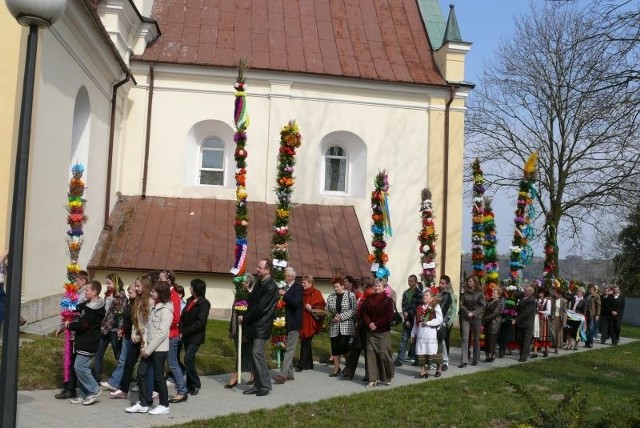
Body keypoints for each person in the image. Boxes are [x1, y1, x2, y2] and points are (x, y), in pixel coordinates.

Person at [126, 280, 173, 415]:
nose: (150, 292)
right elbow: (147, 327)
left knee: (158, 376)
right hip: (149, 347)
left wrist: (148, 350)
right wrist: (144, 344)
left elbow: (161, 333)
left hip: (159, 349)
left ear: (160, 293)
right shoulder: (154, 306)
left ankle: (164, 405)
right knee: (141, 373)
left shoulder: (166, 309)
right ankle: (143, 403)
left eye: (153, 291)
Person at [241, 258, 279, 397]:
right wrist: (244, 293)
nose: (257, 269)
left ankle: (265, 385)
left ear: (267, 270)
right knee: (253, 355)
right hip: (254, 324)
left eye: (260, 267)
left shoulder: (271, 286)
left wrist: (246, 317)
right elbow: (253, 300)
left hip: (262, 325)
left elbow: (262, 308)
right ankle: (257, 385)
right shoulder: (259, 283)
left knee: (257, 354)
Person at [110, 275, 152, 399]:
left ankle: (153, 392)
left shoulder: (150, 302)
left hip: (147, 339)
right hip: (137, 337)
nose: (136, 288)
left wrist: (142, 337)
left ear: (145, 287)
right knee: (128, 363)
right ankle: (123, 390)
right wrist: (134, 333)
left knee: (149, 368)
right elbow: (135, 320)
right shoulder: (137, 301)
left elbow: (149, 323)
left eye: (138, 286)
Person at [66, 280, 106, 405]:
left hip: (89, 341)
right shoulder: (88, 304)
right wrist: (67, 304)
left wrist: (70, 325)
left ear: (94, 292)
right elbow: (79, 307)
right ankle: (84, 395)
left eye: (87, 290)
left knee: (79, 367)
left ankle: (94, 389)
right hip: (83, 341)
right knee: (81, 368)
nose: (85, 292)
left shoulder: (94, 308)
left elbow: (84, 324)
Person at [54, 270, 90, 399]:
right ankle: (69, 388)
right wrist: (62, 326)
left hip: (77, 332)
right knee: (69, 359)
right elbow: (66, 312)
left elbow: (77, 311)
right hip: (71, 330)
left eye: (78, 280)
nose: (76, 282)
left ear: (83, 281)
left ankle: (71, 388)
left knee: (73, 361)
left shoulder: (84, 295)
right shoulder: (74, 293)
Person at [173, 278, 210, 401]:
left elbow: (200, 323)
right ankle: (189, 384)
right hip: (186, 335)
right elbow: (183, 316)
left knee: (188, 359)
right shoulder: (189, 300)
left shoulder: (204, 303)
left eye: (191, 287)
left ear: (196, 289)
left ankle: (196, 384)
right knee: (190, 360)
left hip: (195, 336)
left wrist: (185, 331)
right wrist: (181, 330)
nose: (189, 289)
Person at [101, 283, 136, 394]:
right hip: (127, 335)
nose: (128, 294)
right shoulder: (130, 303)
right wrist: (122, 330)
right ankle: (116, 384)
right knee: (123, 360)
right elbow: (125, 319)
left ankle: (125, 385)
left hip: (134, 337)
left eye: (130, 292)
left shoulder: (138, 304)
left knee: (131, 362)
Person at [160, 270, 187, 402]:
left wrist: (162, 326)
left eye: (161, 280)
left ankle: (182, 391)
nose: (159, 282)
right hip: (164, 334)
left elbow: (176, 319)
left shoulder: (174, 296)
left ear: (169, 281)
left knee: (172, 363)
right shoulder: (165, 294)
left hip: (171, 335)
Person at [362, 278, 394, 388]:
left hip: (382, 332)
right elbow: (365, 313)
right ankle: (372, 379)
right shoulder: (369, 299)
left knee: (384, 354)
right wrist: (369, 323)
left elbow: (388, 317)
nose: (377, 288)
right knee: (370, 354)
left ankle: (388, 376)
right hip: (370, 331)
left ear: (384, 288)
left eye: (379, 286)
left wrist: (377, 324)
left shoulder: (388, 301)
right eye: (375, 286)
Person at [273, 267, 303, 384]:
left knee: (289, 348)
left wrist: (285, 294)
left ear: (291, 276)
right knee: (285, 347)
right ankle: (289, 373)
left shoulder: (298, 287)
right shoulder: (285, 287)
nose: (284, 277)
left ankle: (283, 374)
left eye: (285, 275)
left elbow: (296, 302)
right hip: (283, 322)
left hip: (294, 323)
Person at [340, 277, 374, 381]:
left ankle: (368, 374)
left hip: (366, 327)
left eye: (362, 284)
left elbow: (368, 312)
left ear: (365, 285)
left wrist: (361, 322)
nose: (360, 287)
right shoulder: (364, 295)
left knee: (367, 352)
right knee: (355, 349)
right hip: (360, 326)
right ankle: (348, 372)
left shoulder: (370, 296)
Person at [225, 273, 255, 388]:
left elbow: (250, 315)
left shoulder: (250, 296)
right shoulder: (238, 296)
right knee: (241, 352)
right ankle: (253, 374)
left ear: (247, 283)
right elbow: (234, 313)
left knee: (246, 353)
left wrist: (246, 332)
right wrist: (230, 329)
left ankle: (235, 375)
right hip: (236, 328)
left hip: (246, 329)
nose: (239, 283)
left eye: (242, 281)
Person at [94, 273, 125, 383]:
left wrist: (120, 328)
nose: (107, 285)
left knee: (118, 354)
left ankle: (122, 378)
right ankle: (97, 378)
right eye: (106, 283)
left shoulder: (120, 294)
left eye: (109, 283)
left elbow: (118, 313)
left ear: (115, 283)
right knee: (98, 352)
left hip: (114, 328)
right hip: (105, 327)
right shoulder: (108, 294)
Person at [325, 276, 357, 377]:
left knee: (344, 348)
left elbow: (354, 309)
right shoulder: (331, 297)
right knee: (335, 348)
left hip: (346, 326)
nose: (336, 289)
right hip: (334, 326)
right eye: (334, 287)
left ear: (343, 286)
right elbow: (327, 310)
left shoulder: (350, 295)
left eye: (338, 287)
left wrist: (341, 317)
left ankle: (349, 367)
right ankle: (336, 369)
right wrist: (331, 317)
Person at [411, 287, 443, 379]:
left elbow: (439, 319)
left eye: (427, 295)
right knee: (421, 352)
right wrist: (413, 333)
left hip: (431, 333)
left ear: (432, 297)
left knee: (434, 352)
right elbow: (415, 323)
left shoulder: (435, 306)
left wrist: (428, 323)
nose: (424, 297)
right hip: (421, 334)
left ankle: (439, 368)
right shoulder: (419, 308)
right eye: (424, 295)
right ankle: (423, 371)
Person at [296, 274, 325, 372]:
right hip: (303, 321)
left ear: (310, 283)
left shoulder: (316, 293)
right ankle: (309, 363)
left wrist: (311, 307)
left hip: (311, 322)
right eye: (302, 282)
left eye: (304, 283)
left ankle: (301, 364)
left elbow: (321, 307)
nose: (302, 284)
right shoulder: (302, 293)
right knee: (305, 341)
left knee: (305, 341)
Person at [458, 276, 485, 367]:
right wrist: (467, 312)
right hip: (465, 317)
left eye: (470, 281)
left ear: (474, 282)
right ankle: (464, 361)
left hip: (476, 317)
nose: (468, 283)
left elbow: (482, 306)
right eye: (467, 281)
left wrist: (474, 313)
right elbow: (461, 304)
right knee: (465, 339)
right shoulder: (464, 292)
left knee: (476, 339)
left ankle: (475, 359)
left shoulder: (480, 293)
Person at [394, 275, 420, 367]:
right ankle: (400, 359)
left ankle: (417, 359)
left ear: (416, 282)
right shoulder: (406, 293)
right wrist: (405, 315)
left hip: (415, 319)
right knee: (404, 339)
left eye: (412, 281)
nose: (410, 283)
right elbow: (404, 304)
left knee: (415, 340)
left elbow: (418, 307)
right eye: (409, 281)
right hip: (407, 319)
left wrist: (409, 314)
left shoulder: (419, 293)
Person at [513, 285, 536, 362]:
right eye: (524, 290)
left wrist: (516, 320)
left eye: (526, 290)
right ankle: (523, 352)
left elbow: (526, 313)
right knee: (519, 339)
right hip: (520, 322)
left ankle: (523, 357)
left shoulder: (532, 300)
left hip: (527, 323)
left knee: (526, 340)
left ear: (530, 292)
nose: (524, 291)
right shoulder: (522, 298)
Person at [437, 275, 456, 370]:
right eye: (439, 283)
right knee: (436, 341)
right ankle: (437, 360)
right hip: (435, 320)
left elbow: (450, 309)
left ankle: (445, 361)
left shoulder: (449, 295)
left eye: (442, 283)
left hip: (444, 321)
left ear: (447, 285)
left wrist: (450, 321)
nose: (440, 285)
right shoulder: (438, 293)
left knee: (444, 341)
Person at [482, 284, 502, 362]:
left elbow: (495, 314)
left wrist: (483, 319)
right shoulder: (490, 301)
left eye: (494, 293)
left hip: (494, 325)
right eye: (492, 292)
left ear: (498, 295)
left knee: (491, 342)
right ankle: (487, 356)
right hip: (487, 324)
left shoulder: (498, 303)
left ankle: (492, 356)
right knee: (486, 341)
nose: (492, 294)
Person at [531, 288, 552, 358]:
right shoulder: (537, 300)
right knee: (536, 335)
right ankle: (535, 352)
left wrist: (540, 312)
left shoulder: (548, 301)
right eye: (540, 293)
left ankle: (546, 350)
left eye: (542, 293)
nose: (540, 294)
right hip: (537, 320)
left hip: (544, 320)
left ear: (544, 294)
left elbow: (548, 312)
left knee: (544, 336)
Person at [549, 285, 567, 354]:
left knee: (557, 334)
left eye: (555, 292)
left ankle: (556, 348)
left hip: (559, 318)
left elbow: (565, 312)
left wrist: (564, 322)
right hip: (552, 318)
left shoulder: (563, 301)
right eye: (553, 291)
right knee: (552, 333)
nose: (554, 293)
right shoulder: (550, 299)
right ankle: (550, 345)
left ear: (559, 293)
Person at [583, 284, 600, 348]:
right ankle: (586, 343)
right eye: (589, 289)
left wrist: (597, 315)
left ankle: (591, 342)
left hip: (592, 315)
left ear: (594, 289)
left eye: (591, 289)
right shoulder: (586, 295)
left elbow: (598, 306)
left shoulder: (596, 296)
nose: (590, 291)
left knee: (591, 328)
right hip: (585, 314)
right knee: (586, 329)